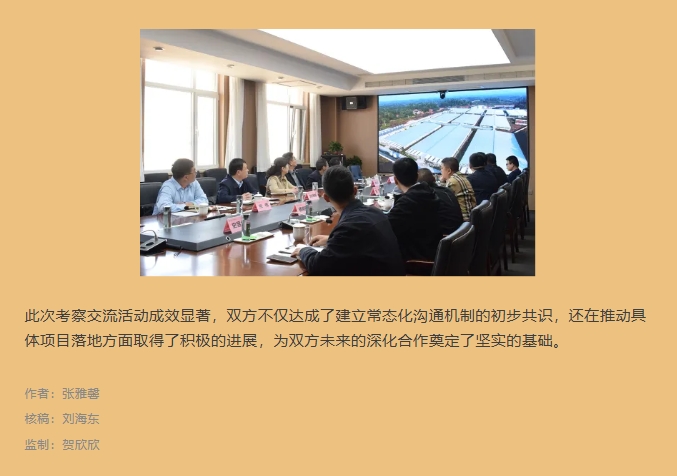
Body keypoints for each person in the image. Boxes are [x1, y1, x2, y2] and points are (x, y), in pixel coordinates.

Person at [291, 166, 404, 275]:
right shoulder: (377, 213)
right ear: (355, 190)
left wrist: (303, 250)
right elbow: (359, 241)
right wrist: (332, 239)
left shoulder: (350, 227)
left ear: (326, 198)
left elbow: (319, 265)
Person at [380, 157, 442, 262]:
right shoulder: (429, 193)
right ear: (417, 176)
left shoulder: (407, 203)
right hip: (431, 252)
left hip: (415, 261)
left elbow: (385, 230)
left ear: (395, 180)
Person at [417, 168, 464, 235]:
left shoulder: (428, 196)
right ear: (434, 178)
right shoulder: (447, 190)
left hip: (446, 236)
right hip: (459, 233)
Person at [440, 157, 476, 222]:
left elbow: (444, 201)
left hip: (463, 220)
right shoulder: (462, 177)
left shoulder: (452, 181)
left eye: (442, 168)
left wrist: (441, 182)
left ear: (449, 171)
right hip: (471, 217)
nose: (441, 171)